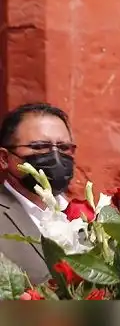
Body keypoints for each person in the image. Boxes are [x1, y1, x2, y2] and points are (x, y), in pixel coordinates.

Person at [0, 103, 76, 285]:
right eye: (40, 147)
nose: (55, 157)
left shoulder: (86, 218)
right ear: (4, 158)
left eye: (64, 148)